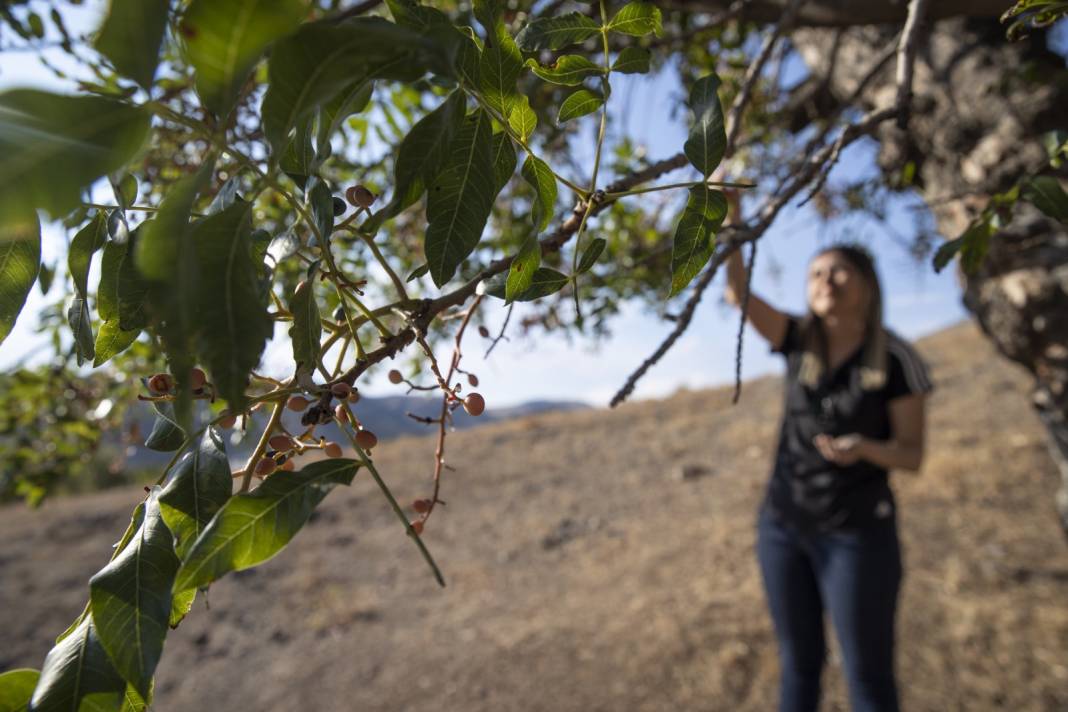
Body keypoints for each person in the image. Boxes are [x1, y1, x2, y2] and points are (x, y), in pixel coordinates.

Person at [723, 227, 934, 712]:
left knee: (867, 675)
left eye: (839, 271)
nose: (826, 281)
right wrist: (728, 215)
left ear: (868, 285)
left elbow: (912, 455)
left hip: (857, 537)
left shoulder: (898, 359)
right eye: (815, 273)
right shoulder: (797, 338)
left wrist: (864, 448)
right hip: (782, 528)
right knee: (798, 665)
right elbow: (737, 291)